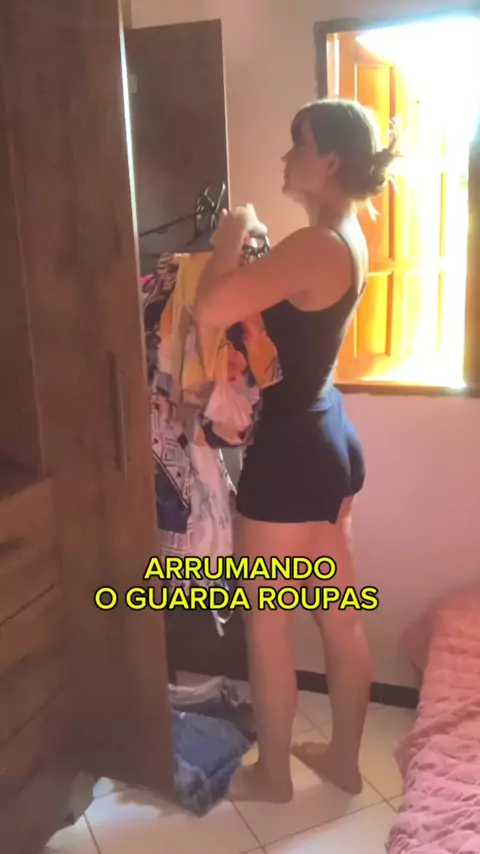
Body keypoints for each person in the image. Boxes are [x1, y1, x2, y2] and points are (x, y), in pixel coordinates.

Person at [194, 98, 398, 804]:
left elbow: (209, 309)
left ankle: (273, 776)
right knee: (338, 617)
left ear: (330, 161)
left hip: (290, 452)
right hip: (328, 438)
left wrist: (231, 234)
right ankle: (342, 761)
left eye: (298, 144)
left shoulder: (313, 244)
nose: (287, 157)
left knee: (267, 625)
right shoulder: (345, 235)